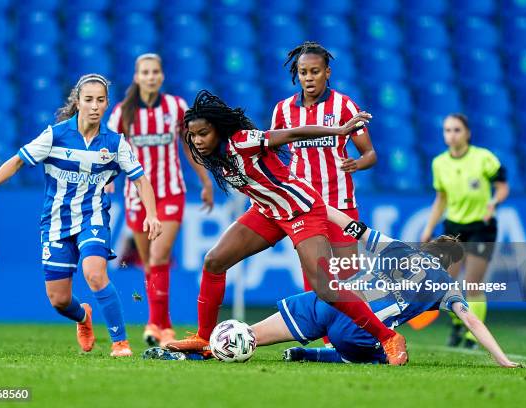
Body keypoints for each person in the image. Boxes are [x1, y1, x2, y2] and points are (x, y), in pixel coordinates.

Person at [164, 90, 408, 365]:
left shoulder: (243, 141)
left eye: (203, 133)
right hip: (267, 212)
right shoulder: (213, 154)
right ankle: (204, 337)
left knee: (325, 287)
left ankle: (387, 337)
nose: (198, 140)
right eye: (193, 135)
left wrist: (337, 129)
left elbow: (292, 134)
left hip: (302, 209)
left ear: (218, 130)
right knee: (214, 261)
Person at [0, 74, 162, 357]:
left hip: (93, 218)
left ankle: (120, 343)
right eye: (89, 100)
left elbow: (141, 180)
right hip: (56, 223)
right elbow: (18, 160)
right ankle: (83, 317)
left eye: (100, 100)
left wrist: (152, 215)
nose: (94, 106)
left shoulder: (116, 144)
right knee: (59, 300)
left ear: (107, 104)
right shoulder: (55, 135)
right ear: (78, 102)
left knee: (95, 273)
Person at [251, 215, 520, 368]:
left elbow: (353, 228)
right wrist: (503, 360)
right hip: (357, 330)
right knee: (391, 355)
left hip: (328, 301)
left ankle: (216, 344)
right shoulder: (446, 285)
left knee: (253, 336)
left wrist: (318, 205)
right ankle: (313, 354)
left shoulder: (399, 248)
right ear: (450, 264)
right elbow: (471, 320)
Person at [107, 53, 214, 347]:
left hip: (170, 191)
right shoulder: (122, 113)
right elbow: (110, 151)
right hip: (136, 194)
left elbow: (191, 147)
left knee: (158, 256)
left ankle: (155, 324)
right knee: (150, 263)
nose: (151, 76)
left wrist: (205, 180)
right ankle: (162, 324)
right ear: (137, 76)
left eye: (155, 71)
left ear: (162, 76)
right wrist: (107, 181)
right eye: (145, 72)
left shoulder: (176, 107)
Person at [271, 41, 377, 291]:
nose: (308, 78)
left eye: (315, 71)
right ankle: (322, 333)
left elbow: (370, 153)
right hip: (305, 206)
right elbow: (271, 152)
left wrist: (357, 164)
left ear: (327, 72)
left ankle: (348, 331)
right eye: (303, 72)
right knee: (316, 282)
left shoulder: (344, 106)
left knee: (349, 280)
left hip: (341, 204)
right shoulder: (283, 110)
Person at [420, 113, 509, 349]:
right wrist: (428, 228)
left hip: (481, 226)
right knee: (447, 283)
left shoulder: (484, 158)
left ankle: (472, 337)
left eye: (457, 129)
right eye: (447, 130)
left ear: (467, 133)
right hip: (453, 227)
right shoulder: (439, 163)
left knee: (473, 283)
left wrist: (493, 202)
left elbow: (502, 188)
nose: (452, 134)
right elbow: (441, 198)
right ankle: (459, 322)